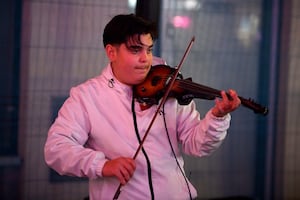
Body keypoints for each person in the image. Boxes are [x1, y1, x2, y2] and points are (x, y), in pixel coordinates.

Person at [44, 14, 241, 200]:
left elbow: (197, 145)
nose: (145, 59)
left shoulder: (167, 85)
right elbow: (56, 149)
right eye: (135, 50)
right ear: (111, 52)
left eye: (149, 49)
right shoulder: (86, 97)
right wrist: (103, 165)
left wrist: (217, 116)